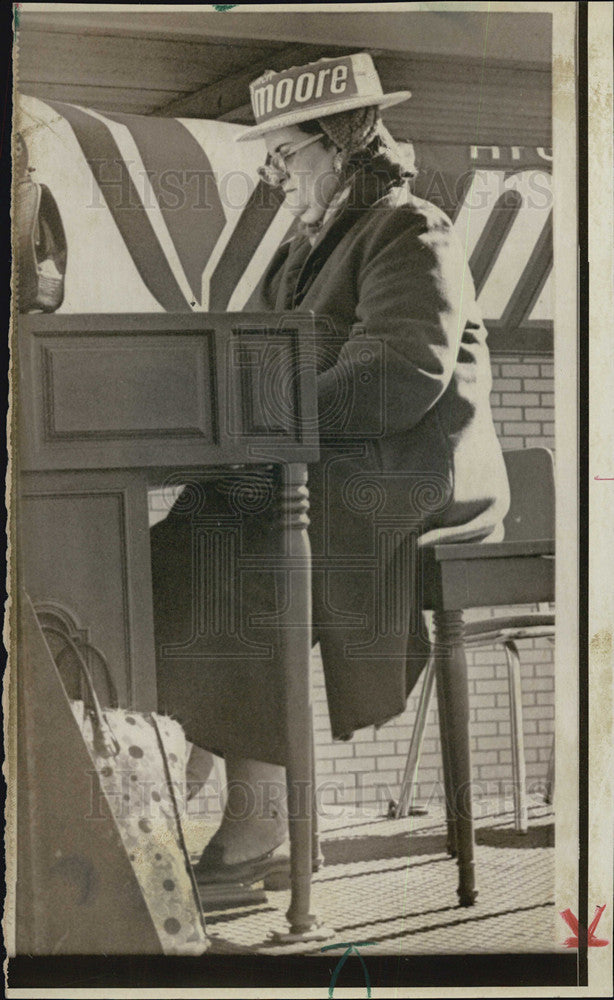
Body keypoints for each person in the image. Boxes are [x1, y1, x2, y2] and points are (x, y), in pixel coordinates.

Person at [151, 52, 510, 884]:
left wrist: (264, 417)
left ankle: (259, 806)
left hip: (413, 467)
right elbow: (257, 359)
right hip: (347, 460)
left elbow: (397, 376)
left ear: (343, 144)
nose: (275, 176)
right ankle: (197, 765)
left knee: (244, 550)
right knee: (188, 531)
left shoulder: (409, 226)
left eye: (286, 155)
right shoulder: (308, 249)